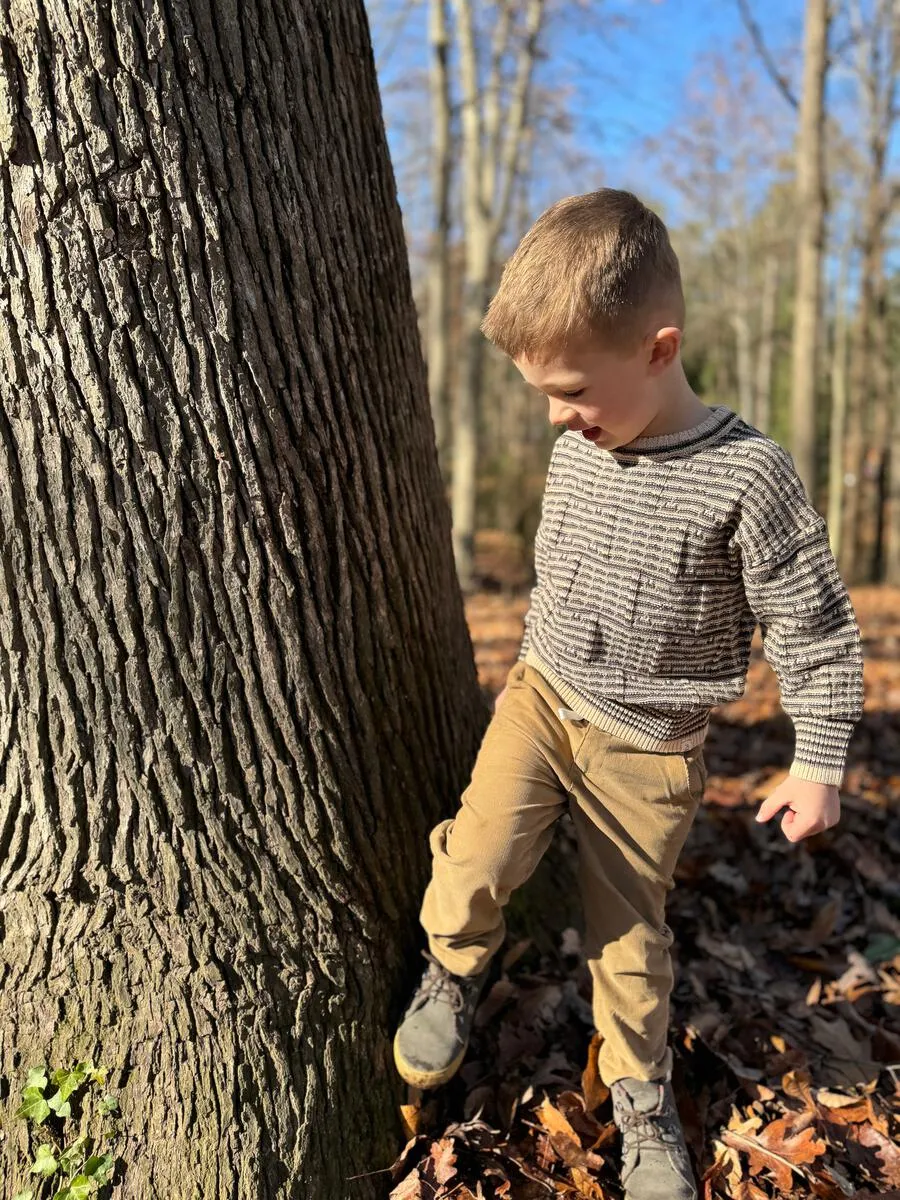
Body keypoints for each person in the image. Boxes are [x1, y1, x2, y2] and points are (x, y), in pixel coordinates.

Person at [392, 189, 864, 1199]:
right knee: (479, 851)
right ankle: (452, 965)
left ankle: (643, 1097)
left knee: (630, 938)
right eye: (544, 397)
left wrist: (819, 759)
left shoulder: (749, 477)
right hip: (542, 699)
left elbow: (815, 625)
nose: (558, 418)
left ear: (659, 349)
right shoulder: (579, 447)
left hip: (649, 749)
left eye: (570, 392)